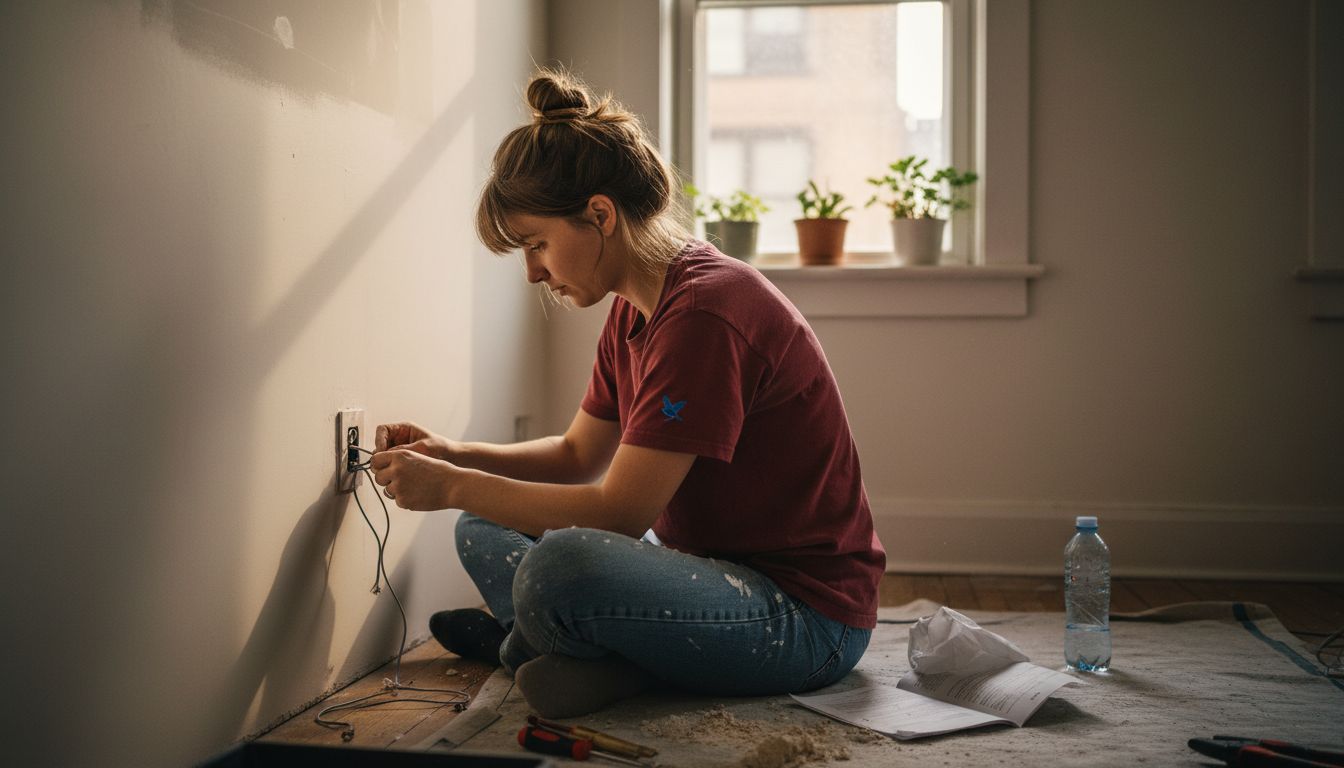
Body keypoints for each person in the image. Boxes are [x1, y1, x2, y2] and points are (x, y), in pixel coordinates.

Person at [369, 68, 885, 718]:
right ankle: (598, 659)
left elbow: (619, 513)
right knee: (484, 524)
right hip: (704, 570)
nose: (532, 272)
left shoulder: (705, 313)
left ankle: (542, 647)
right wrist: (455, 455)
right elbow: (576, 454)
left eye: (537, 245)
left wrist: (446, 485)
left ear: (600, 215)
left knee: (559, 566)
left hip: (804, 617)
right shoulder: (633, 308)